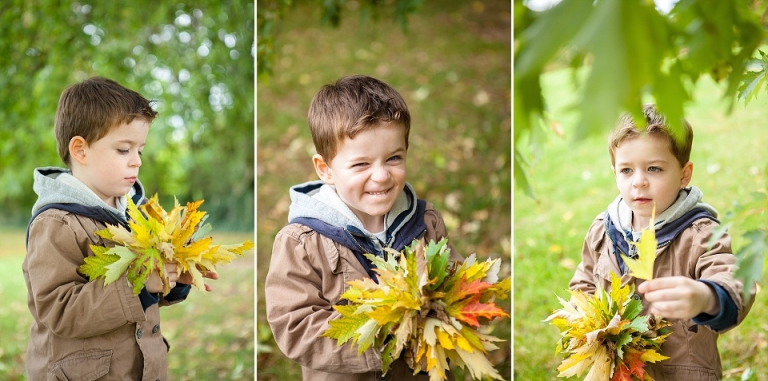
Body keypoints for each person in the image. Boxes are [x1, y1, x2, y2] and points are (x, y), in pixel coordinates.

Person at [265, 75, 463, 381]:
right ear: (325, 169)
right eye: (361, 165)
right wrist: (382, 340)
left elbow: (455, 280)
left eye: (394, 158)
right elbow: (295, 325)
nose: (382, 176)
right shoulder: (301, 242)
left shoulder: (425, 221)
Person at [23, 76, 216, 380]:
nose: (136, 161)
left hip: (138, 369)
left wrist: (171, 277)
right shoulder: (57, 222)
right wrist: (138, 284)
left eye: (140, 150)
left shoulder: (133, 213)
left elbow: (145, 296)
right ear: (81, 150)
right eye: (124, 150)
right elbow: (59, 310)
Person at [569, 104, 755, 380]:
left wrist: (705, 296)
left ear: (684, 174)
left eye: (654, 168)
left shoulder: (701, 234)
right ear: (614, 173)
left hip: (681, 372)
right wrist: (583, 319)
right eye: (627, 171)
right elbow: (583, 283)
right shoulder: (603, 230)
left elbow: (735, 281)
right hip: (617, 370)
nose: (639, 182)